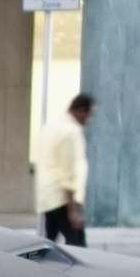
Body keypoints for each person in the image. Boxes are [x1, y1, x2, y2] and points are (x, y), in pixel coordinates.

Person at [37, 93, 94, 246]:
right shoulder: (71, 131)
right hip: (63, 199)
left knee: (49, 245)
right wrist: (73, 211)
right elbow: (68, 172)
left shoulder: (52, 126)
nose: (88, 120)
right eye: (89, 115)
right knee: (79, 247)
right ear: (81, 110)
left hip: (48, 197)